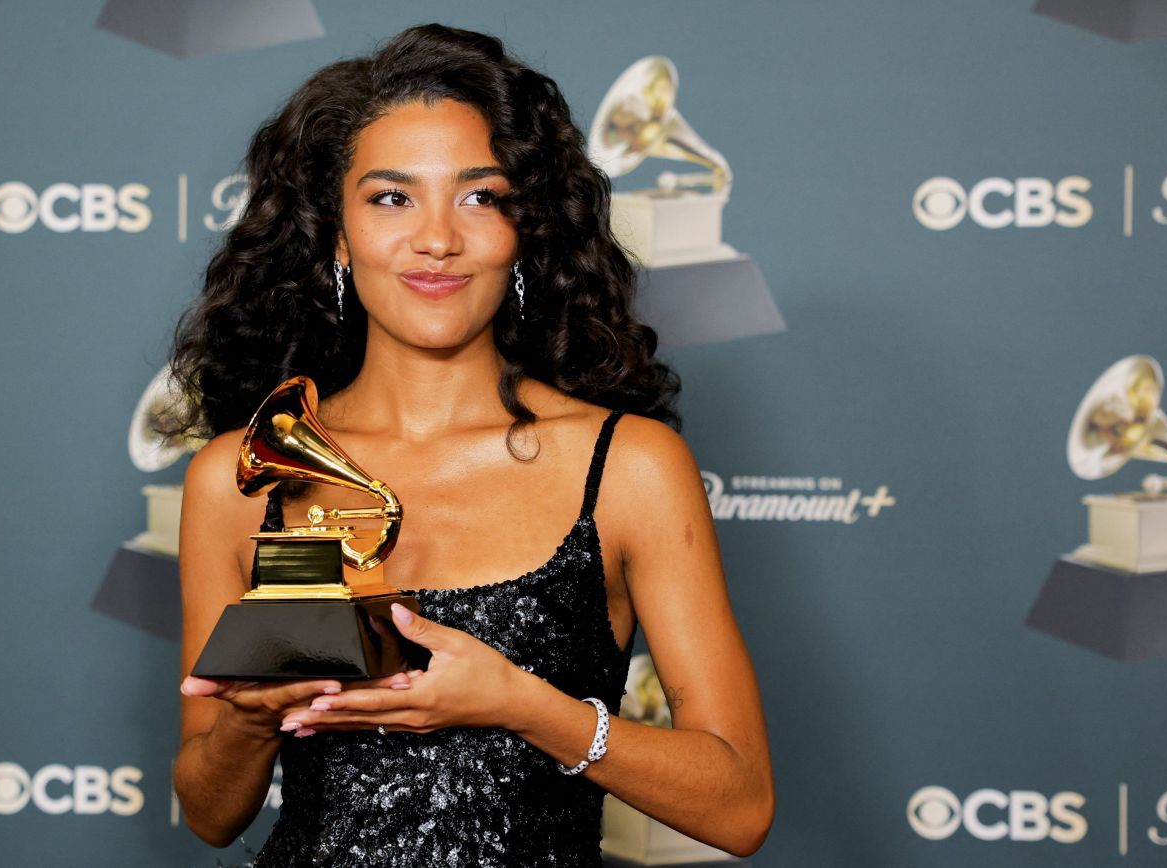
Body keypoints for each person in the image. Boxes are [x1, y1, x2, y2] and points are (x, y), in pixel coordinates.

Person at [171, 23, 773, 867]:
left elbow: (740, 808)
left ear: (523, 228)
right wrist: (249, 720)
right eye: (391, 198)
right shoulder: (242, 477)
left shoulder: (626, 467)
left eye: (480, 197)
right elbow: (209, 813)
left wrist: (525, 705)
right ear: (338, 233)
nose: (437, 239)